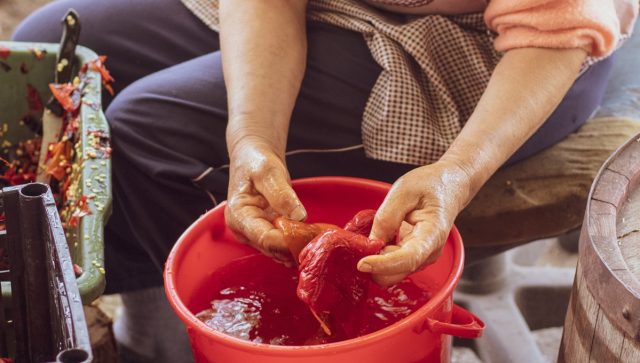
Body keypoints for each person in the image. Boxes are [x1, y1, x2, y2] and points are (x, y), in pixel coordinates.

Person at [13, 0, 638, 362]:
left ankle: (162, 346)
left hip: (523, 43)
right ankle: (151, 319)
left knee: (147, 127)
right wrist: (251, 136)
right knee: (46, 49)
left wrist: (456, 174)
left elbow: (554, 27)